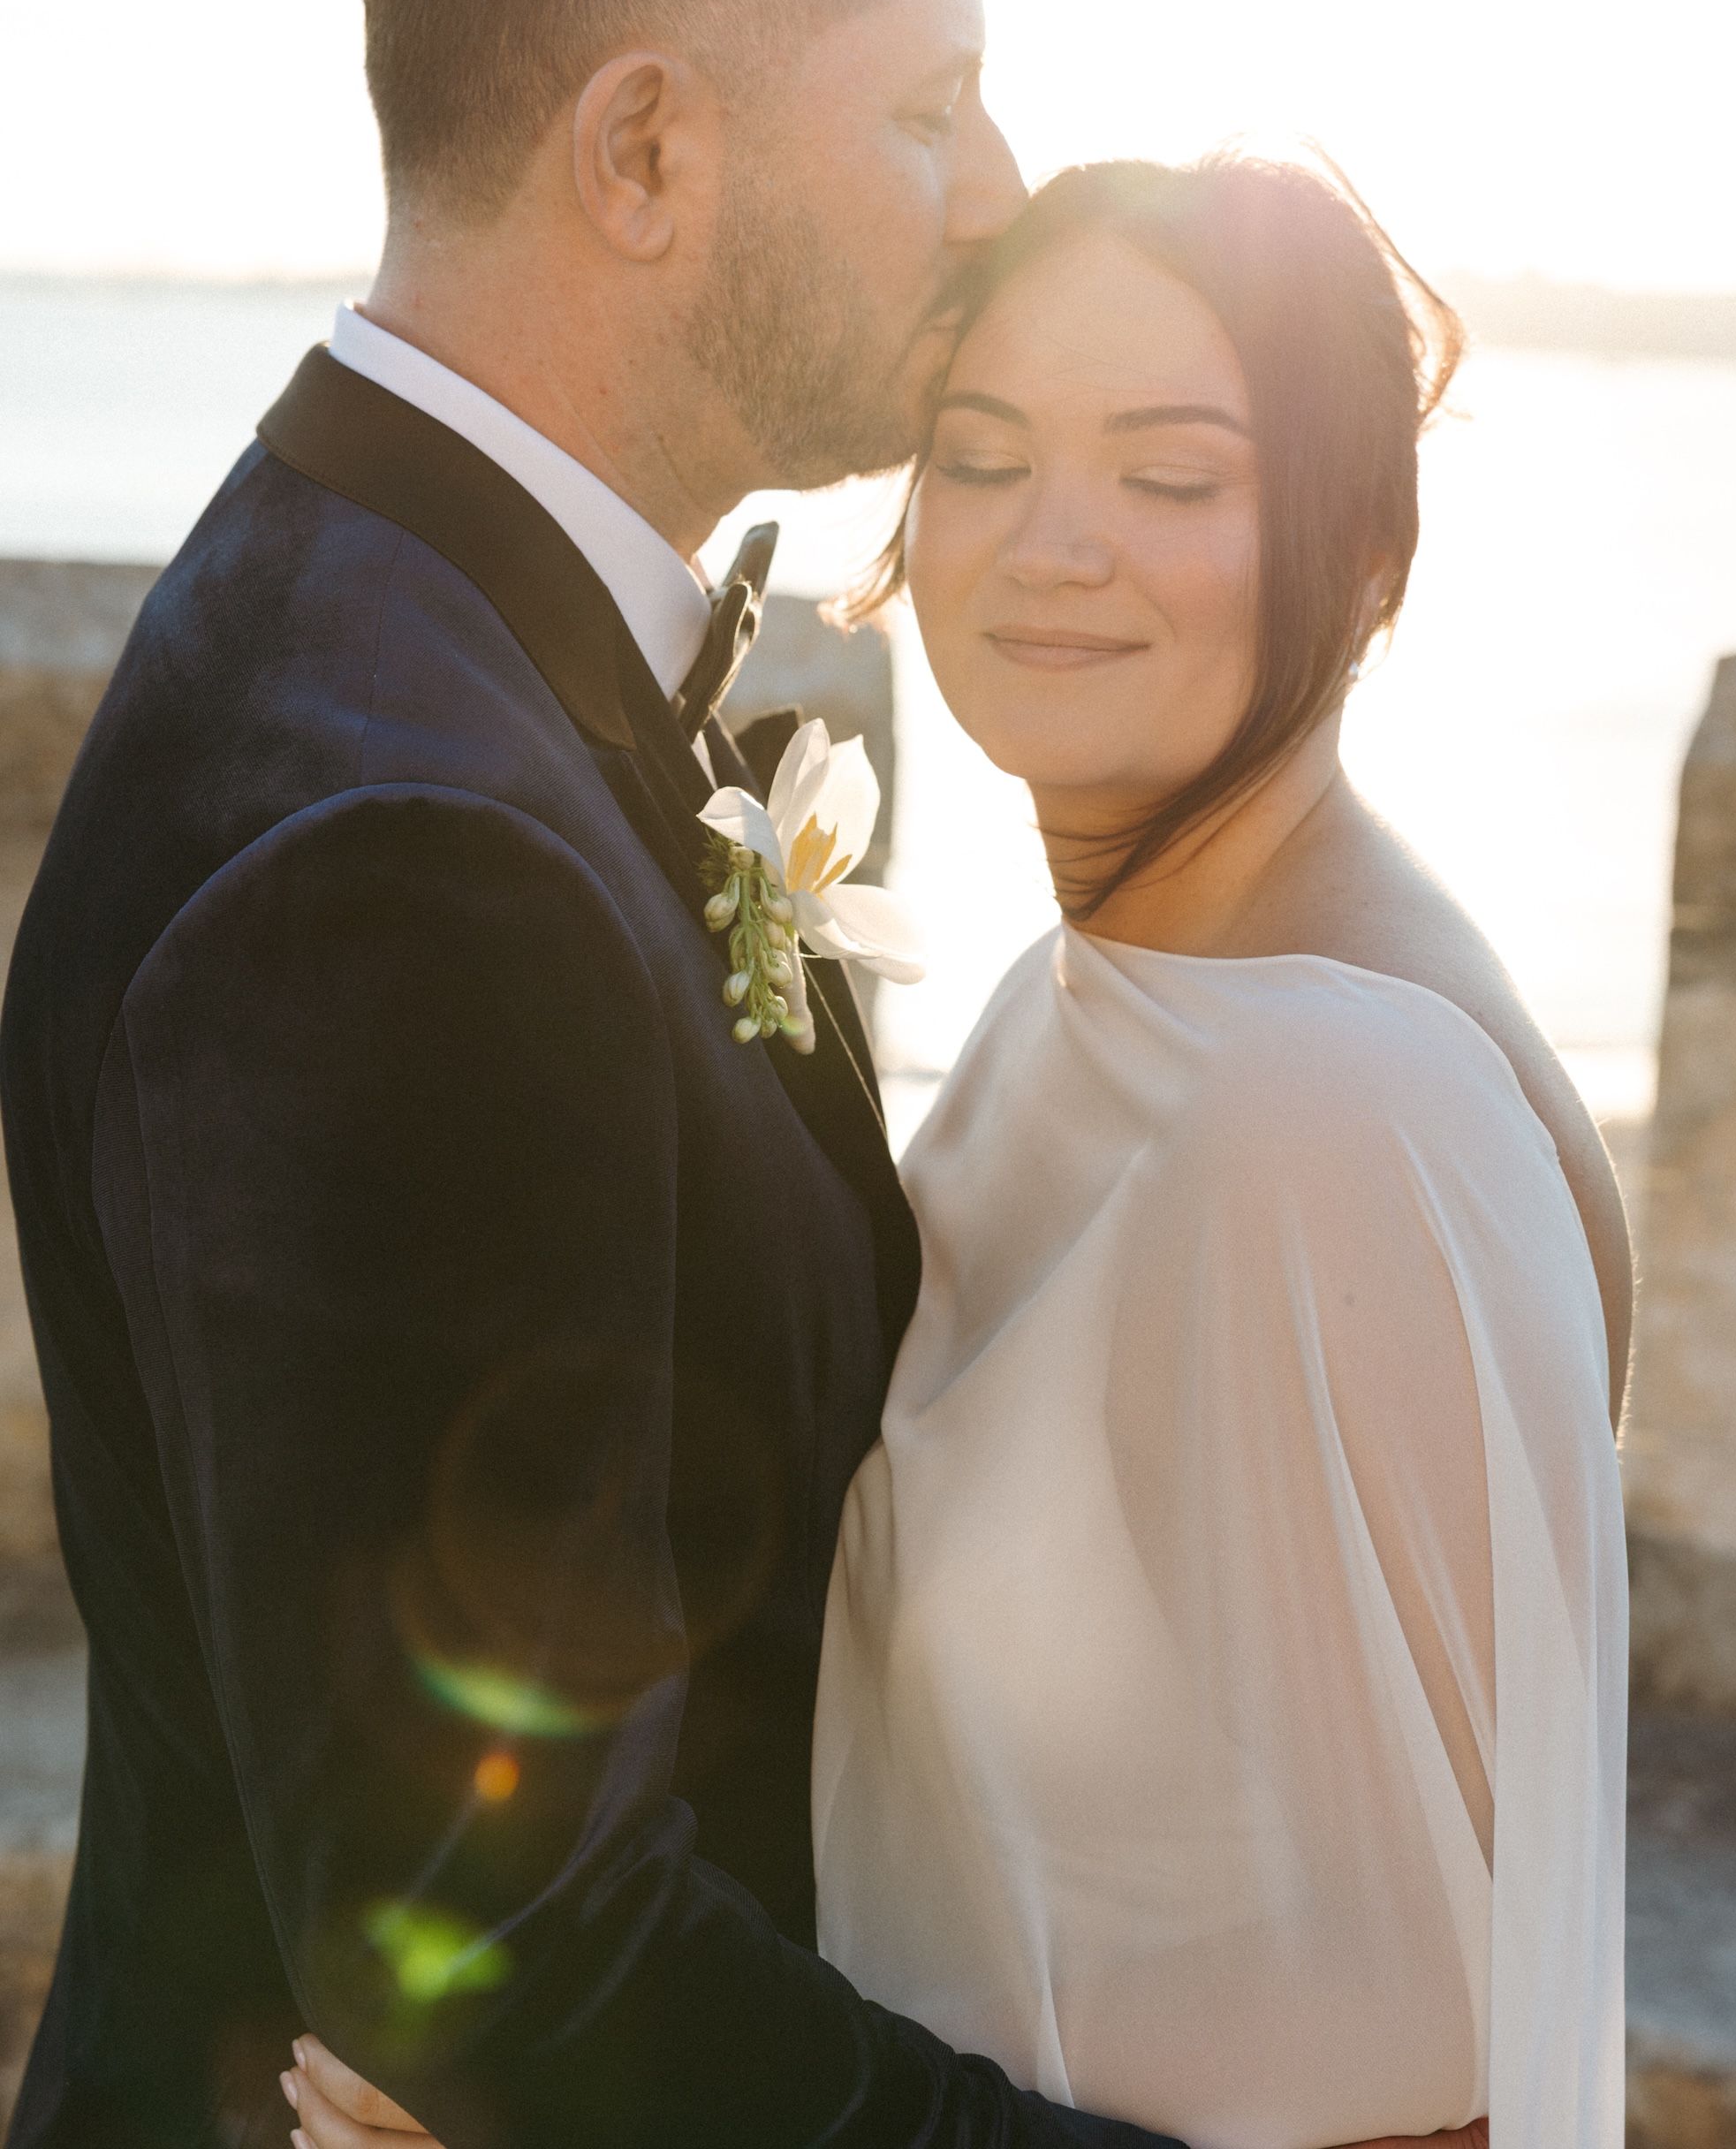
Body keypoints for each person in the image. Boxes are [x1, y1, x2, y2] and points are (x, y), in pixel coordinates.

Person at [3, 0, 1209, 2149]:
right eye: (920, 100)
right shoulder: (398, 854)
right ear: (643, 149)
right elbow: (506, 1969)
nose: (997, 186)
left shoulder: (422, 634)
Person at [283, 160, 1622, 2149]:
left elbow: (1416, 2103)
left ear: (1366, 551)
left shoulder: (1322, 1115)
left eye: (1170, 478)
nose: (1048, 546)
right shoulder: (1087, 1000)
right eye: (981, 456)